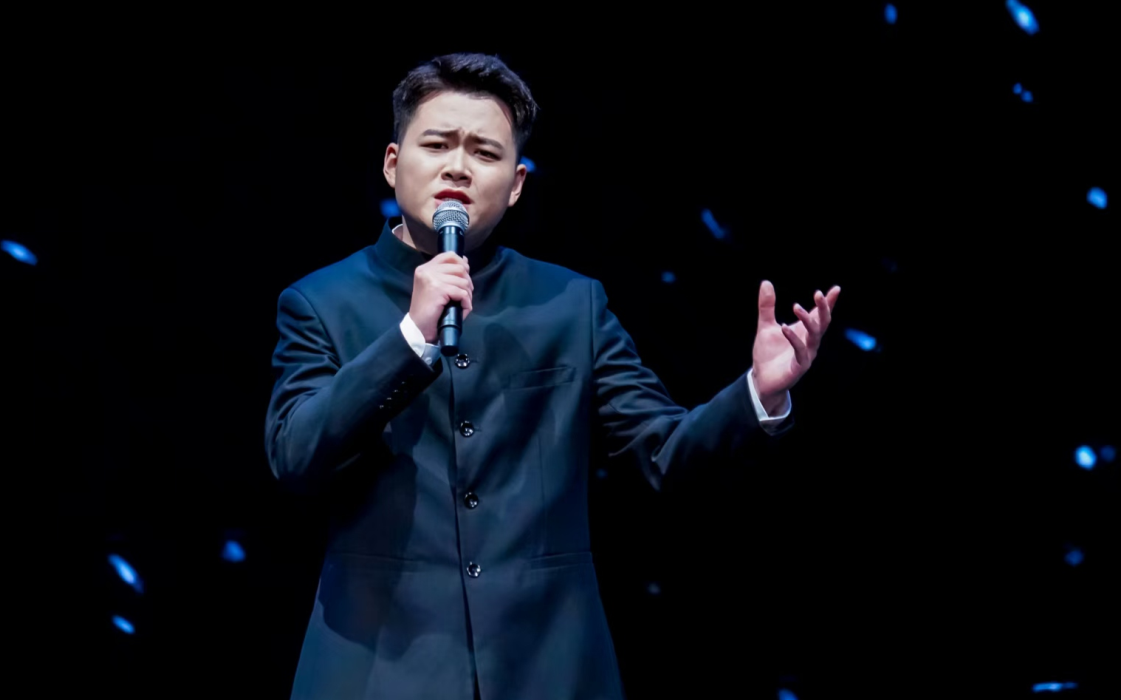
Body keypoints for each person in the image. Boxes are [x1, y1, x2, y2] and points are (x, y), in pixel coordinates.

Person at [264, 53, 840, 700]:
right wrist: (409, 339)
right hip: (376, 671)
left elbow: (663, 453)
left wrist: (759, 392)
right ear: (393, 163)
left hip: (548, 669)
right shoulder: (320, 301)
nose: (458, 167)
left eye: (485, 152)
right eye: (437, 145)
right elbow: (296, 456)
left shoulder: (570, 304)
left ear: (515, 184)